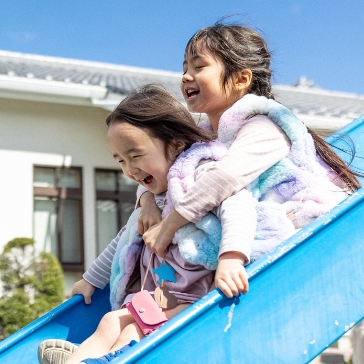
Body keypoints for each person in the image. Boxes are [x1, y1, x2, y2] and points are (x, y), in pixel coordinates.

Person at [38, 84, 258, 364]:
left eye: (135, 155)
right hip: (164, 296)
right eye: (120, 160)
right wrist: (90, 279)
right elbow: (124, 240)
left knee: (132, 329)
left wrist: (231, 259)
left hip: (197, 300)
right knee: (110, 323)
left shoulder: (201, 176)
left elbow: (238, 207)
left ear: (176, 144)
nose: (129, 169)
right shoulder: (153, 198)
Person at [140, 23, 358, 261]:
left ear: (241, 78)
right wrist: (148, 200)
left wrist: (169, 224)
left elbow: (225, 177)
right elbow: (163, 167)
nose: (186, 77)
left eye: (199, 66)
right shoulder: (202, 138)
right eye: (184, 69)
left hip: (305, 238)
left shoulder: (265, 126)